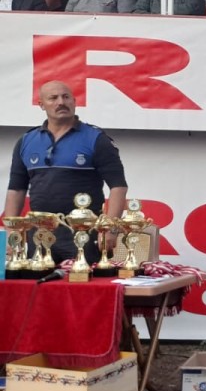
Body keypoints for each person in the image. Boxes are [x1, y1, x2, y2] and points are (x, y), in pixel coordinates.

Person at [5, 81, 127, 264]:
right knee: (35, 281)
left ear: (74, 101)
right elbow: (16, 189)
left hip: (84, 233)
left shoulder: (96, 139)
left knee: (83, 282)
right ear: (41, 105)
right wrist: (11, 229)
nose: (61, 102)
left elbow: (118, 187)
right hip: (39, 232)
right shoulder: (26, 141)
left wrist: (111, 229)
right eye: (53, 98)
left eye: (66, 97)